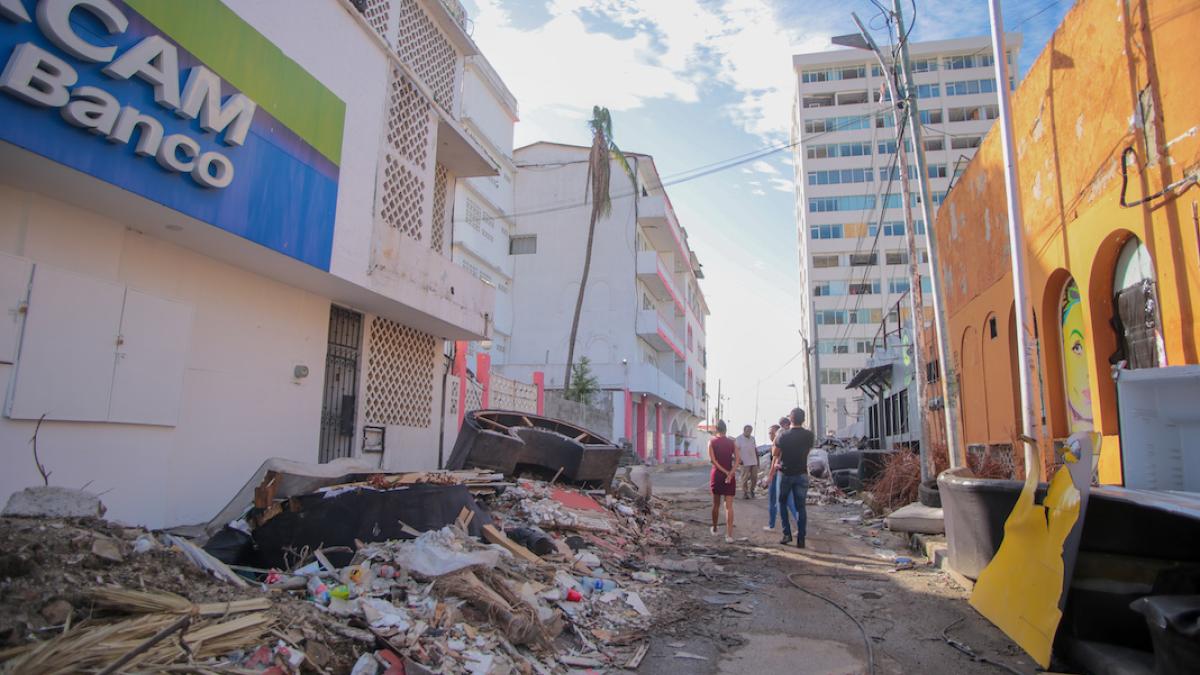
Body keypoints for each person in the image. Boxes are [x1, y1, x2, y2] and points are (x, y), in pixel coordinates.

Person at [771, 408, 815, 548]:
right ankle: (801, 539)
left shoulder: (783, 436)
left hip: (785, 473)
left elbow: (775, 453)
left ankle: (787, 534)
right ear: (803, 419)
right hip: (802, 473)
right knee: (801, 507)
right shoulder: (809, 435)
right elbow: (807, 452)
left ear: (791, 419)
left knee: (782, 503)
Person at [762, 419, 798, 531]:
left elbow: (775, 461)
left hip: (780, 475)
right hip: (780, 474)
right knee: (773, 500)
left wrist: (770, 476)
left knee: (787, 501)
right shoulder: (779, 444)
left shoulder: (779, 444)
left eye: (772, 433)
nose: (770, 435)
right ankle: (771, 524)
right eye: (769, 433)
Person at [707, 420, 739, 543]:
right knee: (729, 507)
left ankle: (715, 528)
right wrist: (730, 472)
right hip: (730, 476)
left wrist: (725, 472)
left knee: (716, 504)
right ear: (726, 430)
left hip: (717, 475)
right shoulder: (732, 442)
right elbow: (737, 459)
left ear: (716, 430)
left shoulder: (711, 442)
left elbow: (713, 460)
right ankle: (729, 535)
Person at [734, 424, 759, 499]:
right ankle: (745, 492)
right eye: (748, 430)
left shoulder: (752, 438)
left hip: (753, 461)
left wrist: (758, 461)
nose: (749, 432)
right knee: (744, 478)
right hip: (744, 461)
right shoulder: (738, 439)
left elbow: (755, 449)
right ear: (744, 430)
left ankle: (752, 490)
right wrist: (739, 460)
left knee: (754, 477)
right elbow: (735, 451)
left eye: (750, 431)